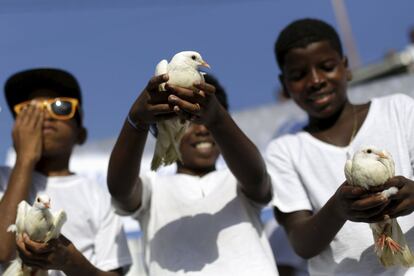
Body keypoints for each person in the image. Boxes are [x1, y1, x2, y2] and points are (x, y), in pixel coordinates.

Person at [265, 18, 414, 275]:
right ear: (285, 85)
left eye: (326, 67)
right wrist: (338, 208)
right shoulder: (285, 150)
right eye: (299, 75)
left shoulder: (399, 110)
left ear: (345, 67)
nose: (315, 81)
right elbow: (301, 244)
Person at [107, 73, 277, 275]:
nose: (201, 130)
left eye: (205, 117)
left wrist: (218, 119)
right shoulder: (153, 189)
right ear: (163, 135)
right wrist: (135, 121)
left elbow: (257, 178)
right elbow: (120, 190)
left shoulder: (238, 179)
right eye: (185, 121)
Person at [0, 68, 132, 275]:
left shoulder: (96, 195)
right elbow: (3, 250)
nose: (45, 116)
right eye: (30, 110)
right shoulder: (4, 180)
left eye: (60, 107)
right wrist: (25, 160)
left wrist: (70, 262)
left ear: (81, 135)